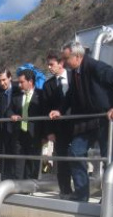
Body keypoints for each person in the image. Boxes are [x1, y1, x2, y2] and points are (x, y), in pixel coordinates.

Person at [49, 41, 113, 202]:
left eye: (66, 59)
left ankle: (109, 198)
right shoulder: (75, 73)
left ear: (78, 56)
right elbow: (71, 96)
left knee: (109, 158)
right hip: (87, 122)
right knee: (75, 152)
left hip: (106, 120)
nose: (64, 63)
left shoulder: (95, 67)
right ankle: (81, 194)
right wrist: (60, 110)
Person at [42, 50, 73, 198]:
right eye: (48, 65)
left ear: (61, 63)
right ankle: (65, 190)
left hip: (77, 126)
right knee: (62, 160)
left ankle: (81, 191)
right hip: (59, 129)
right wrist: (49, 132)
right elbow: (46, 109)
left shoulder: (75, 77)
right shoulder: (48, 85)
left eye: (51, 64)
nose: (49, 67)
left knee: (79, 158)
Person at [6, 68, 46, 180]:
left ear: (30, 82)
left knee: (32, 163)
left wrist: (44, 135)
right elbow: (8, 110)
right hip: (19, 134)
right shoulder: (16, 96)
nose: (19, 85)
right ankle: (19, 187)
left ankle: (30, 187)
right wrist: (12, 115)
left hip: (35, 135)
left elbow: (44, 115)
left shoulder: (41, 95)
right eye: (18, 82)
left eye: (22, 82)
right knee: (18, 162)